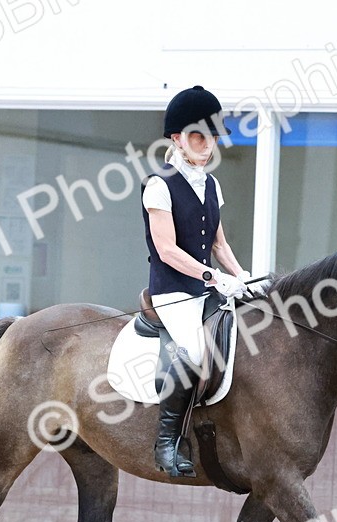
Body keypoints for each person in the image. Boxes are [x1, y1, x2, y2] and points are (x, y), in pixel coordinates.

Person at [142, 85, 249, 478]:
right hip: (171, 292)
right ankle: (167, 442)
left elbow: (219, 243)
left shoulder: (212, 185)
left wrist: (242, 277)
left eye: (211, 136)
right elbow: (167, 249)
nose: (207, 145)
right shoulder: (159, 185)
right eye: (198, 136)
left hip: (205, 289)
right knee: (190, 351)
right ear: (177, 138)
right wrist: (213, 276)